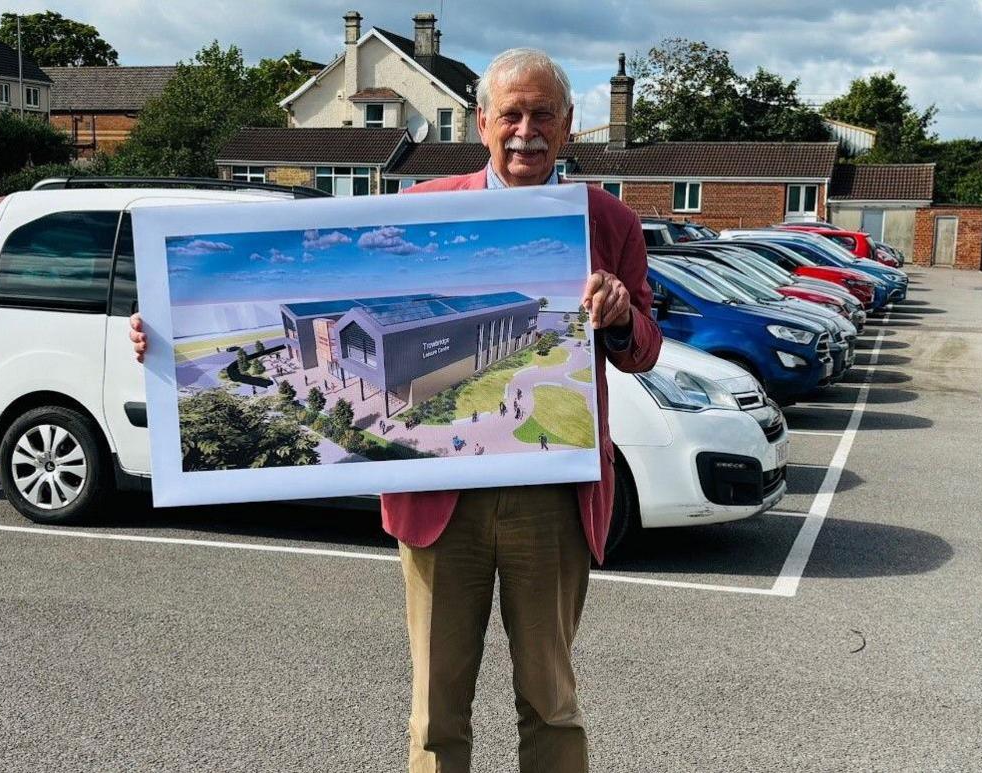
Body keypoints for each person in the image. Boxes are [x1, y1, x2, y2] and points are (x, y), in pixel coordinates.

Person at [128, 47, 661, 773]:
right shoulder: (420, 208)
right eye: (512, 113)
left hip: (553, 500)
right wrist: (157, 332)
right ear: (483, 122)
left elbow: (644, 351)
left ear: (568, 125)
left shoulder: (608, 221)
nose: (526, 130)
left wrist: (624, 316)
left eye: (543, 114)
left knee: (551, 702)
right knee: (437, 714)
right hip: (440, 504)